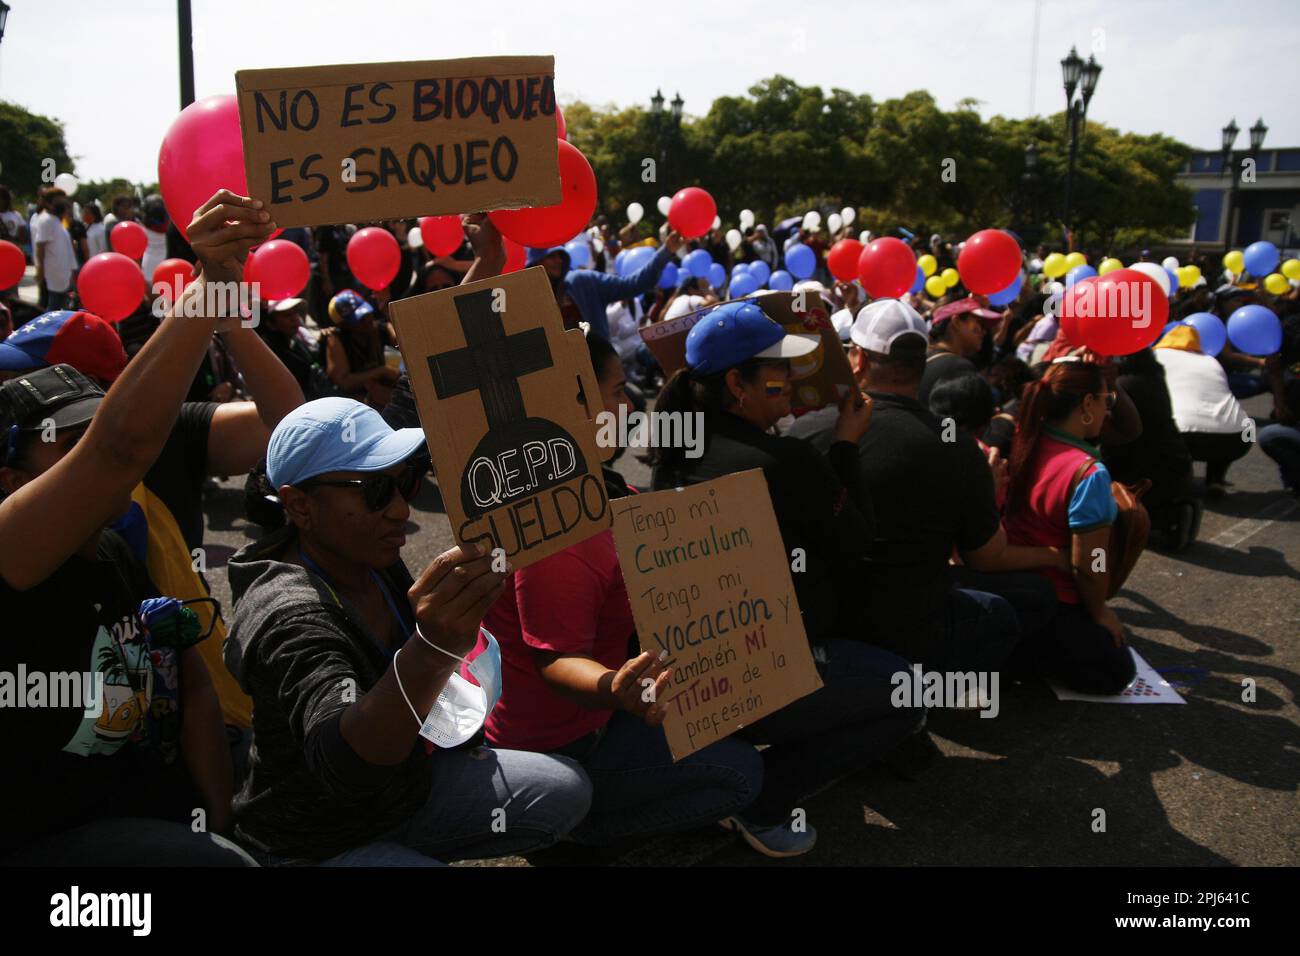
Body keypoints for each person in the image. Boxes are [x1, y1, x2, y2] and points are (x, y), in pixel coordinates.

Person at [0, 188, 279, 866]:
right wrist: (209, 286)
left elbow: (192, 691)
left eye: (90, 426)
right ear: (6, 476)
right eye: (59, 442)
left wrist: (220, 821)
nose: (83, 456)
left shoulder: (112, 553)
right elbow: (118, 449)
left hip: (158, 800)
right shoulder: (11, 545)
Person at [224, 398, 592, 865]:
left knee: (567, 789)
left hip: (403, 792)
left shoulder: (363, 553)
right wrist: (434, 646)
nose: (400, 509)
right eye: (375, 489)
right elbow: (348, 763)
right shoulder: (288, 614)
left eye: (405, 481)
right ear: (300, 505)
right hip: (320, 841)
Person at [483, 333, 799, 855]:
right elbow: (556, 659)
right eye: (614, 391)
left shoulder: (600, 488)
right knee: (741, 776)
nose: (626, 405)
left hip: (603, 714)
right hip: (563, 741)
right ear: (571, 403)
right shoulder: (558, 528)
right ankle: (565, 825)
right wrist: (615, 689)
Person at [649, 300, 924, 838]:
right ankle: (765, 797)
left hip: (690, 685)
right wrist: (845, 446)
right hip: (757, 679)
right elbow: (857, 542)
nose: (793, 380)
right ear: (738, 383)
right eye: (779, 370)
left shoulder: (672, 454)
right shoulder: (783, 464)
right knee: (911, 694)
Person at [788, 300, 1063, 674]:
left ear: (860, 360)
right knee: (1032, 599)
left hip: (821, 623)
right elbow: (986, 557)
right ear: (921, 367)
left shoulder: (806, 432)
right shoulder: (959, 448)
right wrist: (1056, 555)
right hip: (914, 630)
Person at [1003, 357, 1138, 695]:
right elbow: (1090, 565)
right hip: (1054, 599)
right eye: (1107, 401)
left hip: (1007, 584)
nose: (1109, 411)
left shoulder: (1024, 437)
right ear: (1087, 405)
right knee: (1117, 671)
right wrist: (1100, 611)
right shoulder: (1088, 473)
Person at [1102, 347, 1199, 550]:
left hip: (1146, 475)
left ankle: (1165, 518)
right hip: (1175, 465)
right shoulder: (1153, 377)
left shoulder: (1122, 388)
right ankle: (1172, 513)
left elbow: (1099, 432)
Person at [1153, 324, 1253, 497]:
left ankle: (1178, 480)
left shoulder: (1156, 356)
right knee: (1222, 423)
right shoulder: (1211, 360)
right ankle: (1215, 478)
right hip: (1240, 438)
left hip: (1185, 436)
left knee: (1160, 426)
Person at [531, 230, 684, 339]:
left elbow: (633, 285)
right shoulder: (529, 299)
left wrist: (665, 252)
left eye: (560, 255)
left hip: (600, 369)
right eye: (551, 256)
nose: (558, 261)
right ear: (535, 263)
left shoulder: (583, 281)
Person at [323, 289, 400, 408]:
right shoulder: (336, 340)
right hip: (355, 404)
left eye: (367, 314)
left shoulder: (382, 330)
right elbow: (344, 382)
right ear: (344, 325)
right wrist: (381, 371)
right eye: (359, 319)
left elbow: (404, 344)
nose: (367, 320)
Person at [919, 296, 1000, 405]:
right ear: (956, 322)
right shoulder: (959, 367)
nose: (984, 332)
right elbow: (951, 422)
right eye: (980, 324)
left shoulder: (922, 357)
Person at [32, 193, 77, 311]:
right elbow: (40, 245)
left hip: (62, 271)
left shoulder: (57, 222)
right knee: (53, 305)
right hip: (54, 271)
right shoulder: (46, 220)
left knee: (61, 304)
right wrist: (40, 269)